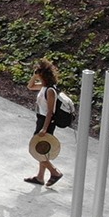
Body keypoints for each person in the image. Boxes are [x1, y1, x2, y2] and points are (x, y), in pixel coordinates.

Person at [24, 59, 65, 187]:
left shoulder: (50, 91)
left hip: (46, 122)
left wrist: (44, 128)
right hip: (41, 119)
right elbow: (30, 86)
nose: (38, 77)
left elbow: (50, 112)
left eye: (39, 74)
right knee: (42, 149)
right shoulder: (44, 87)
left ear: (44, 76)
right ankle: (40, 177)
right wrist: (34, 76)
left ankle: (54, 172)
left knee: (36, 149)